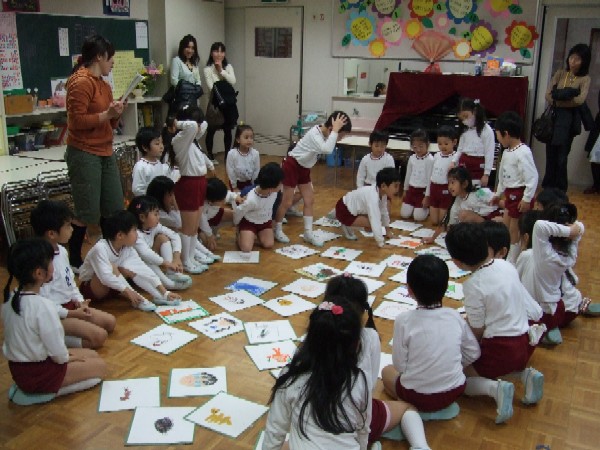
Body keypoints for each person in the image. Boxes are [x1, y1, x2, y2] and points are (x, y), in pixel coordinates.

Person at [445, 223, 545, 423]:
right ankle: (525, 375)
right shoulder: (506, 266)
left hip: (501, 348)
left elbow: (477, 331)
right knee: (500, 366)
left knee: (459, 377)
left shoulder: (473, 285)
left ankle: (495, 389)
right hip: (525, 343)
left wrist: (459, 342)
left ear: (456, 262)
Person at [325, 275, 430, 450]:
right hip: (357, 419)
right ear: (362, 309)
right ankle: (421, 447)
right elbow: (370, 387)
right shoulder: (370, 338)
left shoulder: (315, 337)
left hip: (316, 422)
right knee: (407, 408)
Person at [3, 238, 106, 406]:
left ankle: (35, 388)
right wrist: (66, 358)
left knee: (92, 355)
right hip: (40, 373)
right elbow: (57, 352)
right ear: (39, 273)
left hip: (20, 370)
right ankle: (45, 393)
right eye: (51, 262)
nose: (54, 266)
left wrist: (67, 356)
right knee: (100, 368)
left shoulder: (11, 299)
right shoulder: (43, 306)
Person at [263, 296, 370, 449]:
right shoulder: (359, 379)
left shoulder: (292, 377)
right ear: (356, 345)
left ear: (309, 340)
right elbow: (363, 428)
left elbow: (275, 430)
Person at [381, 255, 481, 418]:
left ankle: (412, 410)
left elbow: (399, 366)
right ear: (446, 287)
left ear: (409, 290)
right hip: (454, 391)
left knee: (387, 372)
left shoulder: (403, 320)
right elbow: (473, 353)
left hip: (416, 396)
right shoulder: (454, 316)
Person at [65, 35, 125, 272]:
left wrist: (116, 113)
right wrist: (106, 115)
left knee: (114, 205)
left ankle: (112, 255)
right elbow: (76, 122)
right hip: (84, 152)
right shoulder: (81, 82)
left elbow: (109, 123)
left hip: (105, 149)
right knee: (86, 210)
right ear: (99, 57)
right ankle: (74, 259)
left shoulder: (104, 85)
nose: (113, 63)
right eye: (111, 58)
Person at [31, 200, 116, 350]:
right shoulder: (40, 263)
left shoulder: (62, 251)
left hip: (71, 306)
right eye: (68, 226)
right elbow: (44, 305)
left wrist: (80, 301)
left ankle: (61, 334)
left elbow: (70, 282)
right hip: (54, 315)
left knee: (110, 322)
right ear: (51, 233)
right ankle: (51, 339)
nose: (72, 230)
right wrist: (72, 314)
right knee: (99, 337)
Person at [274, 111, 352, 247]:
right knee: (286, 202)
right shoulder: (315, 134)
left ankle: (308, 233)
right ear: (331, 128)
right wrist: (335, 130)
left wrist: (335, 130)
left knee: (309, 200)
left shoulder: (326, 133)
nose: (340, 138)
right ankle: (277, 229)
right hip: (292, 165)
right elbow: (327, 150)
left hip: (304, 167)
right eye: (341, 135)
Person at [78, 210, 181, 312]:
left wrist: (164, 292)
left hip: (114, 288)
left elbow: (143, 269)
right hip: (92, 290)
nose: (137, 234)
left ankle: (156, 296)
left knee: (129, 269)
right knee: (112, 267)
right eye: (134, 230)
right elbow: (105, 277)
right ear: (120, 235)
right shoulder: (100, 248)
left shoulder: (127, 248)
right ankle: (139, 299)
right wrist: (127, 291)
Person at [515, 204, 587, 345]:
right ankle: (550, 327)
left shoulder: (543, 256)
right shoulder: (569, 256)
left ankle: (541, 331)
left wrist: (569, 230)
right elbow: (579, 230)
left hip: (543, 315)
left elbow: (539, 226)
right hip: (559, 309)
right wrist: (573, 230)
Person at [165, 105, 214, 274]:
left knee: (194, 228)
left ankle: (191, 257)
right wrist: (176, 123)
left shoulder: (192, 139)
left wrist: (194, 119)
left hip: (199, 182)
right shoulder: (179, 140)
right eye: (195, 122)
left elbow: (203, 124)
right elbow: (192, 126)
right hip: (188, 184)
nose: (199, 126)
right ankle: (186, 260)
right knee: (188, 227)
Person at [491, 111, 539, 264]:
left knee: (515, 229)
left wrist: (527, 198)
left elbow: (532, 177)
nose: (498, 139)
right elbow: (502, 176)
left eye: (498, 135)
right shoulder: (507, 152)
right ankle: (507, 253)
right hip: (510, 194)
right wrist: (498, 193)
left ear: (506, 134)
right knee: (506, 226)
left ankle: (513, 259)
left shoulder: (523, 152)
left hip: (520, 195)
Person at [542, 43, 592, 192]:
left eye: (577, 59)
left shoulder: (585, 79)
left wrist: (559, 98)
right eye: (571, 57)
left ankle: (560, 189)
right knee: (550, 155)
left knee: (562, 157)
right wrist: (566, 97)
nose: (573, 62)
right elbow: (548, 95)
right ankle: (548, 187)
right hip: (554, 119)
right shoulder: (560, 73)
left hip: (569, 121)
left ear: (584, 61)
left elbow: (580, 100)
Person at [127, 196, 192, 291]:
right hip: (137, 270)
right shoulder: (135, 234)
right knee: (147, 259)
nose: (158, 217)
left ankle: (171, 273)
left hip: (150, 262)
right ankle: (167, 283)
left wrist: (176, 258)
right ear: (142, 217)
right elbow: (146, 254)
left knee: (163, 238)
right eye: (155, 214)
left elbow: (175, 236)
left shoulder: (155, 226)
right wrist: (166, 263)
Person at [422, 167, 500, 245]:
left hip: (492, 225)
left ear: (464, 184)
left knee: (464, 215)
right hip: (480, 229)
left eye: (453, 182)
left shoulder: (479, 192)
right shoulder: (457, 201)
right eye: (449, 183)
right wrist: (433, 238)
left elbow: (498, 202)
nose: (450, 186)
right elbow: (447, 223)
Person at [333, 167, 400, 247]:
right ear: (383, 186)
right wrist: (381, 243)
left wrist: (388, 232)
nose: (398, 189)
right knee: (373, 224)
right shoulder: (373, 197)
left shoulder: (382, 193)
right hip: (343, 210)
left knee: (375, 223)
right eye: (395, 186)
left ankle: (349, 223)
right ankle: (346, 224)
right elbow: (375, 220)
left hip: (350, 207)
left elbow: (384, 212)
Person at [233, 162, 284, 252]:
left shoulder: (276, 193)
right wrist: (237, 225)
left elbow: (274, 207)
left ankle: (255, 234)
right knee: (246, 248)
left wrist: (272, 222)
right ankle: (242, 234)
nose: (282, 185)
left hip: (264, 222)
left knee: (268, 244)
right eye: (280, 183)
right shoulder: (251, 199)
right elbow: (239, 211)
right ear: (271, 187)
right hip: (249, 222)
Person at [203, 42, 237, 163]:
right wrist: (224, 83)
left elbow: (233, 81)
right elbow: (211, 87)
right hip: (215, 104)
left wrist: (221, 70)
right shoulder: (207, 69)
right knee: (211, 130)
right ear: (211, 53)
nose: (219, 54)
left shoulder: (228, 67)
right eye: (216, 51)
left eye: (222, 51)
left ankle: (227, 155)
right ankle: (210, 155)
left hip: (228, 105)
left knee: (228, 130)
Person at [451, 98, 495, 187]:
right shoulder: (465, 129)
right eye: (462, 118)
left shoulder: (486, 130)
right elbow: (460, 149)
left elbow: (489, 153)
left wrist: (486, 174)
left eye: (466, 116)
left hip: (478, 166)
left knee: (476, 191)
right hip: (464, 165)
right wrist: (453, 161)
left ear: (474, 111)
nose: (464, 120)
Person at [423, 125, 457, 226]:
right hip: (434, 188)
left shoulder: (455, 157)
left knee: (442, 221)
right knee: (434, 221)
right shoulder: (436, 156)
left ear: (454, 142)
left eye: (446, 143)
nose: (443, 146)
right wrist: (427, 195)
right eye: (440, 144)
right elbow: (430, 176)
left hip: (445, 189)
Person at [132, 127, 179, 197]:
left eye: (162, 142)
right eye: (157, 143)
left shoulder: (159, 164)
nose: (161, 146)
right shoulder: (141, 166)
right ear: (145, 147)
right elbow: (137, 189)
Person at [400, 129, 434, 222]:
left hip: (422, 192)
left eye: (421, 146)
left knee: (418, 217)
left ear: (427, 144)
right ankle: (414, 207)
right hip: (411, 190)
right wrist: (405, 190)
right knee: (404, 214)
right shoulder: (412, 158)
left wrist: (427, 197)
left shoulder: (430, 160)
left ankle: (427, 209)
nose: (418, 150)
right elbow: (408, 175)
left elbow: (430, 180)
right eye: (415, 147)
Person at [199, 177, 237, 252]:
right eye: (221, 200)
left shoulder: (217, 193)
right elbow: (202, 222)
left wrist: (236, 197)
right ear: (210, 201)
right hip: (200, 227)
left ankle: (213, 232)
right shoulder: (201, 206)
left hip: (214, 216)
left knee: (236, 215)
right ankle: (203, 237)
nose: (224, 201)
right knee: (211, 246)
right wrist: (209, 235)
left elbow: (228, 194)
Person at [169, 34, 203, 116]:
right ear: (182, 47)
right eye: (188, 47)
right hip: (181, 100)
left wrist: (192, 89)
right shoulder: (177, 61)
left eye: (192, 48)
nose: (190, 50)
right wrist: (189, 88)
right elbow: (174, 80)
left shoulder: (194, 65)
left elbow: (198, 82)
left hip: (194, 101)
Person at [226, 124, 260, 191]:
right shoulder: (232, 154)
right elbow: (230, 171)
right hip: (236, 183)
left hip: (250, 183)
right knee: (238, 197)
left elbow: (256, 170)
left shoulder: (255, 153)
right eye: (246, 137)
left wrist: (253, 185)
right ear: (238, 139)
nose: (249, 140)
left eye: (251, 137)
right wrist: (234, 186)